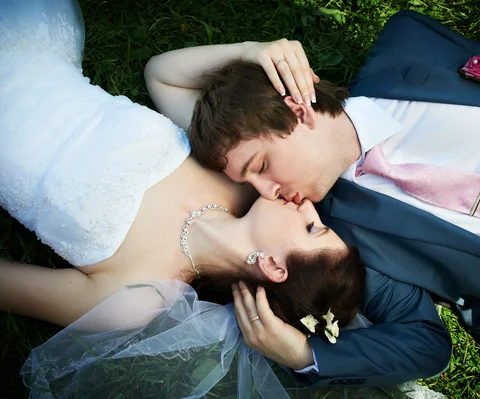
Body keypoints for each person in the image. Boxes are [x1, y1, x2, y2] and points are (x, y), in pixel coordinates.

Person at [0, 1, 450, 397]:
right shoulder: (235, 177)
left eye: (314, 228)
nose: (310, 205)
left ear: (274, 267)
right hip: (33, 56)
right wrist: (250, 51)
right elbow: (163, 76)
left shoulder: (137, 299)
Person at [186, 10, 480, 398]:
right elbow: (422, 342)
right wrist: (303, 355)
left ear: (298, 111)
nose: (265, 191)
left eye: (261, 166)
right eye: (249, 182)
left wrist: (252, 52)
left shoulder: (409, 43)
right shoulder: (340, 236)